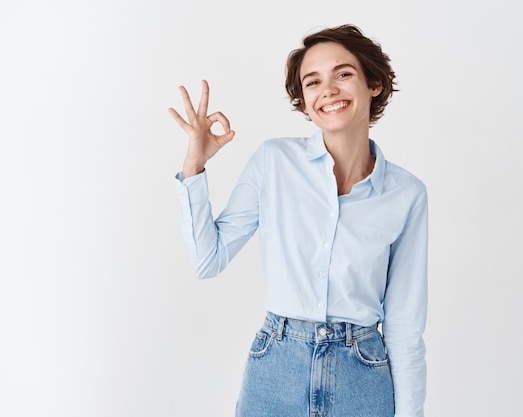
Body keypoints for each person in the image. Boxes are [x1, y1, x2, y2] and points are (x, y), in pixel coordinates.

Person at [169, 24, 428, 417]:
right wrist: (194, 165)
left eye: (343, 74)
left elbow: (405, 326)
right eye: (313, 82)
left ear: (373, 83)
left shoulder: (406, 193)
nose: (328, 90)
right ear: (304, 101)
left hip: (363, 376)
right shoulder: (273, 162)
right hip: (276, 370)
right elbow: (208, 260)